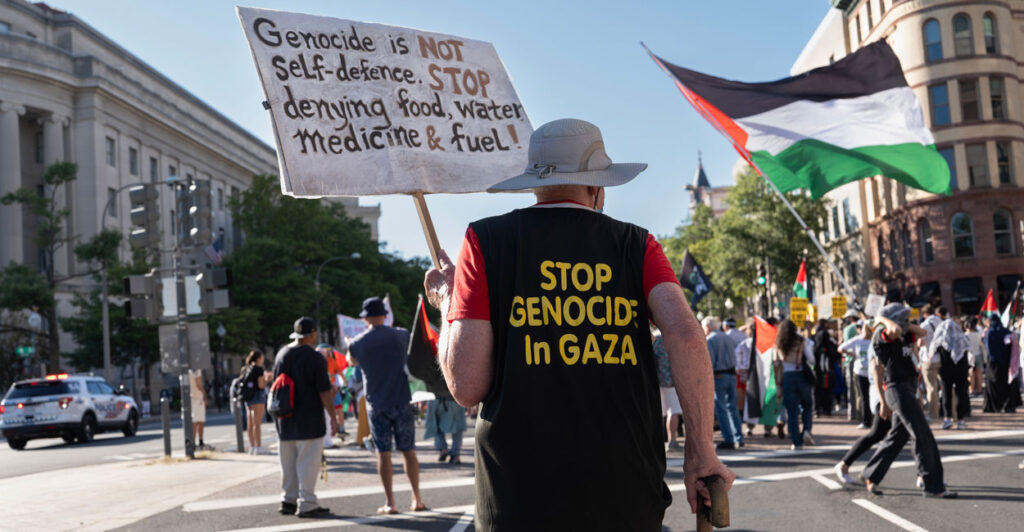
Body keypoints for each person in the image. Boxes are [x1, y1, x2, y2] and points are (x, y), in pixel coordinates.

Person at [422, 118, 733, 530]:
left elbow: (466, 386)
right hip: (624, 489)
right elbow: (686, 334)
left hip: (518, 495)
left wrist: (446, 301)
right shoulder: (637, 245)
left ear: (535, 184)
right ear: (597, 187)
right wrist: (701, 450)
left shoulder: (485, 241)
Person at [862, 304, 956, 498]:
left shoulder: (905, 333)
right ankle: (932, 485)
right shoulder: (882, 336)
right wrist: (880, 319)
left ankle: (871, 475)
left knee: (898, 436)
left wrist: (904, 322)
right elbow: (894, 331)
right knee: (923, 435)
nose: (907, 322)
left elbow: (923, 332)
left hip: (909, 389)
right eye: (903, 318)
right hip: (896, 390)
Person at [347, 297, 426, 515]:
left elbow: (351, 361)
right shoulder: (401, 335)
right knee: (408, 451)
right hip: (401, 399)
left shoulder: (358, 342)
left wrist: (348, 343)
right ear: (385, 315)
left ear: (365, 319)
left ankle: (390, 503)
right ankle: (417, 499)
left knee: (384, 454)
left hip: (376, 403)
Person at [273, 317, 339, 518]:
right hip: (309, 417)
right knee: (308, 462)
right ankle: (307, 502)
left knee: (288, 463)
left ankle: (288, 500)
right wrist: (333, 417)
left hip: (284, 417)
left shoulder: (281, 354)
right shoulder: (315, 358)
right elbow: (324, 391)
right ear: (312, 334)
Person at [835, 336, 890, 484]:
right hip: (883, 395)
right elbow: (878, 376)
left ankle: (926, 476)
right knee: (878, 433)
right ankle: (845, 464)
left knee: (901, 435)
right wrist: (883, 402)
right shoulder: (878, 344)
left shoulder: (896, 341)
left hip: (894, 395)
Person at [773, 319, 815, 450]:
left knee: (791, 411)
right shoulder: (801, 341)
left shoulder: (778, 343)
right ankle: (807, 430)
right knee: (807, 405)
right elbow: (811, 359)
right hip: (801, 375)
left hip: (787, 377)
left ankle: (796, 442)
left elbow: (775, 362)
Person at [705, 316, 743, 450]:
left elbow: (709, 361)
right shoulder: (727, 337)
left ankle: (729, 439)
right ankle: (739, 436)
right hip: (732, 374)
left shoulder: (710, 339)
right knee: (733, 407)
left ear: (708, 327)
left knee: (721, 408)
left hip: (719, 375)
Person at [932, 319, 970, 430]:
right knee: (961, 394)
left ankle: (947, 418)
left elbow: (933, 354)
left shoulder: (941, 342)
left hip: (946, 372)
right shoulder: (963, 339)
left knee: (946, 394)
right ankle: (961, 420)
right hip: (961, 371)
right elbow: (967, 354)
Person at [983, 315, 1022, 413]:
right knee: (1007, 384)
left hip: (993, 364)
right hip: (1006, 363)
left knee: (993, 385)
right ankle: (1009, 406)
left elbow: (989, 349)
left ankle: (995, 407)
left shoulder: (989, 332)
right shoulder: (1006, 332)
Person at [839, 321, 873, 428]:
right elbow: (840, 348)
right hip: (862, 372)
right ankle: (867, 420)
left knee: (869, 396)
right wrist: (851, 353)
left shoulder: (870, 340)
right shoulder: (857, 340)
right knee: (865, 396)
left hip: (870, 372)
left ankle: (871, 420)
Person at [653, 328, 683, 451]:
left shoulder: (654, 338)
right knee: (673, 411)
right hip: (672, 379)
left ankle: (656, 441)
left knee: (658, 412)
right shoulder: (674, 336)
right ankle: (672, 440)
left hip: (656, 380)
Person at [918, 305, 945, 420]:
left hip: (929, 358)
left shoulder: (924, 325)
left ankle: (933, 414)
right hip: (942, 358)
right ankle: (952, 412)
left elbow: (920, 343)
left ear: (924, 314)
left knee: (931, 388)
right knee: (946, 386)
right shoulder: (942, 322)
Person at [241, 350, 269, 454]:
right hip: (257, 396)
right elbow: (261, 385)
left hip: (248, 397)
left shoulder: (246, 368)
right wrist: (267, 380)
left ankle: (252, 446)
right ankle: (259, 446)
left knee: (250, 422)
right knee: (257, 423)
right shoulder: (258, 369)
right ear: (258, 358)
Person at [812, 319, 838, 417]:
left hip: (820, 371)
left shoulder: (815, 347)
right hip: (827, 371)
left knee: (817, 391)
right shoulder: (829, 346)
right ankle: (826, 409)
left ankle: (818, 410)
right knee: (827, 391)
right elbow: (835, 355)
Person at [189, 368, 208, 450]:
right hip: (198, 398)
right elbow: (198, 383)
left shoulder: (187, 371)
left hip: (191, 398)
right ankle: (200, 441)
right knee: (200, 422)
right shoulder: (197, 369)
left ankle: (193, 441)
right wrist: (204, 394)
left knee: (194, 422)